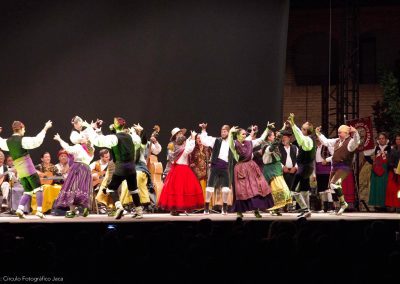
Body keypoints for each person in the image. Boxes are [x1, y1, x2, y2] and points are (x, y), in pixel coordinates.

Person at [85, 117, 143, 219]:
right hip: (131, 168)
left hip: (121, 168)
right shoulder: (132, 137)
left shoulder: (114, 138)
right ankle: (139, 212)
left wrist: (91, 128)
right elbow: (138, 143)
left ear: (115, 126)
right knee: (133, 190)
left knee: (111, 189)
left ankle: (119, 207)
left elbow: (98, 141)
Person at [0, 120, 52, 218]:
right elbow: (37, 141)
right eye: (24, 129)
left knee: (28, 190)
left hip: (20, 171)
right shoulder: (22, 140)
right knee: (38, 188)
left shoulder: (7, 142)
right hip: (28, 168)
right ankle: (40, 211)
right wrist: (45, 128)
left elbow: (0, 142)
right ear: (20, 128)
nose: (24, 131)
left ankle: (20, 209)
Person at [228, 125, 274, 218]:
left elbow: (261, 139)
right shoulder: (234, 144)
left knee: (256, 188)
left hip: (251, 167)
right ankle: (239, 211)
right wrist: (230, 133)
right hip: (241, 169)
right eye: (243, 134)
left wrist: (267, 129)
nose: (245, 135)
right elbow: (230, 143)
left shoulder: (249, 143)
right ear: (237, 135)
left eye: (245, 134)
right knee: (242, 190)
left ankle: (256, 210)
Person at [316, 124, 360, 215]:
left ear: (347, 133)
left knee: (334, 183)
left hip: (344, 167)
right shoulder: (337, 141)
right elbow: (326, 142)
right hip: (335, 167)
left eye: (340, 133)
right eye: (338, 132)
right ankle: (341, 205)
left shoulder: (350, 142)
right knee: (332, 186)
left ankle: (343, 204)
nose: (338, 134)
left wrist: (355, 132)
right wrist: (318, 133)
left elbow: (357, 142)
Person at [158, 130, 204, 215]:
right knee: (180, 189)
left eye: (180, 133)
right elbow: (188, 149)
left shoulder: (180, 146)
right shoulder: (178, 147)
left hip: (179, 169)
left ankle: (178, 208)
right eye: (178, 134)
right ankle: (176, 208)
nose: (180, 134)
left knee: (179, 189)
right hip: (180, 170)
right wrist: (193, 138)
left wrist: (191, 139)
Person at [53, 133, 94, 217]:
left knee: (71, 188)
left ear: (86, 140)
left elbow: (68, 149)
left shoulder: (79, 147)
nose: (80, 138)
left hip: (78, 168)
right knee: (83, 189)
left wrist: (59, 139)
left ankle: (73, 211)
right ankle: (85, 207)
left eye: (82, 137)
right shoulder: (91, 149)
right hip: (86, 170)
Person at [199, 123, 233, 215]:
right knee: (209, 187)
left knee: (226, 189)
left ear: (228, 132)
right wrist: (203, 130)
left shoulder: (231, 142)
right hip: (215, 166)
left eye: (225, 131)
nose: (223, 132)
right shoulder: (216, 140)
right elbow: (204, 140)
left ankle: (224, 207)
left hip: (225, 167)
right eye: (222, 131)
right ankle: (206, 207)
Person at [286, 113, 315, 218]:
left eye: (303, 128)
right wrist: (293, 123)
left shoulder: (306, 140)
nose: (301, 130)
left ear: (306, 131)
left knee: (293, 190)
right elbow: (298, 133)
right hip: (307, 167)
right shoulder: (309, 139)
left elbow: (298, 135)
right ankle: (306, 210)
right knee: (304, 189)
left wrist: (293, 123)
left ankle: (306, 209)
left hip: (304, 168)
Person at [262, 127, 292, 216]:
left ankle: (277, 209)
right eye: (273, 136)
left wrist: (283, 129)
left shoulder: (273, 145)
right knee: (278, 189)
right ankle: (273, 208)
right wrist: (279, 137)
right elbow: (272, 148)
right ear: (269, 137)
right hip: (271, 171)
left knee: (283, 189)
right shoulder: (266, 146)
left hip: (277, 169)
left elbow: (277, 156)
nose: (274, 137)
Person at [364, 132, 390, 211]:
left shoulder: (390, 148)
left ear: (386, 139)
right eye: (380, 138)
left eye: (383, 138)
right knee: (376, 187)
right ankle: (377, 205)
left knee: (384, 187)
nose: (381, 140)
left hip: (386, 169)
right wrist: (372, 163)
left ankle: (385, 205)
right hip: (376, 169)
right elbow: (366, 154)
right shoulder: (376, 148)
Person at [385, 134, 400, 211]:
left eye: (399, 139)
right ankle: (392, 205)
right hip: (393, 172)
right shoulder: (392, 150)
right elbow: (389, 161)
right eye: (397, 139)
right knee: (392, 189)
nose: (398, 141)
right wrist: (393, 167)